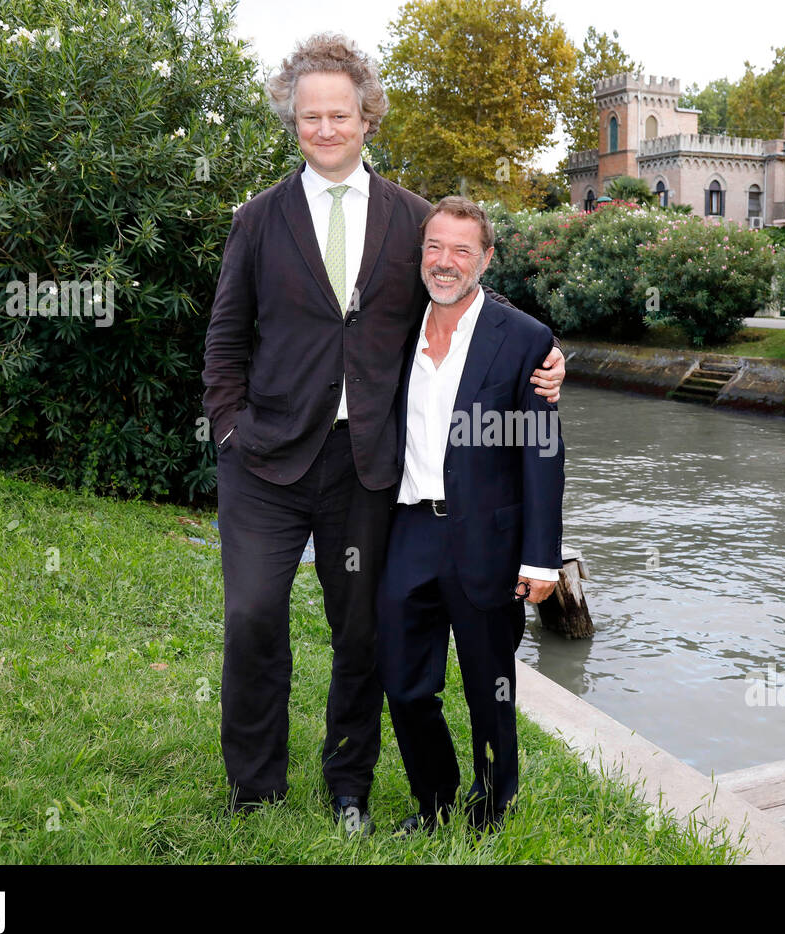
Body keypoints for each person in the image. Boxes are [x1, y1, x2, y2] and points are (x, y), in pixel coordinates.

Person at [200, 33, 565, 832]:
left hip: (367, 466)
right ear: (291, 122)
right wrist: (229, 429)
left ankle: (348, 787)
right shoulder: (257, 220)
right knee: (253, 616)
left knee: (360, 631)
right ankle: (255, 787)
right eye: (308, 117)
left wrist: (545, 355)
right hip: (263, 462)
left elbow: (459, 299)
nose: (324, 129)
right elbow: (225, 340)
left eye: (340, 114)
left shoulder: (410, 218)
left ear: (368, 117)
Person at [377, 196, 565, 834]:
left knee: (491, 687)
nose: (445, 262)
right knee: (404, 685)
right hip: (408, 527)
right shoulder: (396, 325)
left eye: (462, 250)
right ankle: (433, 803)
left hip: (488, 538)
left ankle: (491, 810)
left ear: (486, 258)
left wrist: (541, 558)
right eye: (435, 247)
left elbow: (542, 453)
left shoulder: (526, 340)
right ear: (420, 254)